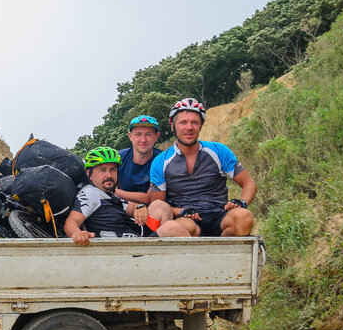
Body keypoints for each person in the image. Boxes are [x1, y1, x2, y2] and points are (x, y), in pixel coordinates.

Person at [145, 98, 256, 238]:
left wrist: (242, 202)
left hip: (220, 216)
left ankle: (222, 252)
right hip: (188, 221)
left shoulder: (219, 151)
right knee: (171, 227)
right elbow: (159, 205)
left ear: (201, 125)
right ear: (172, 125)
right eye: (183, 122)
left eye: (194, 122)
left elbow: (249, 183)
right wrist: (181, 211)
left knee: (244, 217)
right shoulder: (161, 162)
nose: (189, 127)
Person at [65, 147, 154, 246]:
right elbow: (71, 222)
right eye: (102, 170)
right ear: (89, 174)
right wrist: (78, 234)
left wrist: (140, 208)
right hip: (116, 251)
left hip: (135, 245)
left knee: (159, 207)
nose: (109, 175)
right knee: (170, 228)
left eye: (113, 169)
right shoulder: (91, 193)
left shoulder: (111, 196)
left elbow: (132, 207)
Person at [115, 114, 162, 207]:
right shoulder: (118, 158)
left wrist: (114, 191)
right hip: (123, 208)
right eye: (138, 134)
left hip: (153, 210)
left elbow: (150, 198)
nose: (143, 140)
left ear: (156, 136)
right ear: (130, 136)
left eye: (148, 134)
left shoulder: (162, 160)